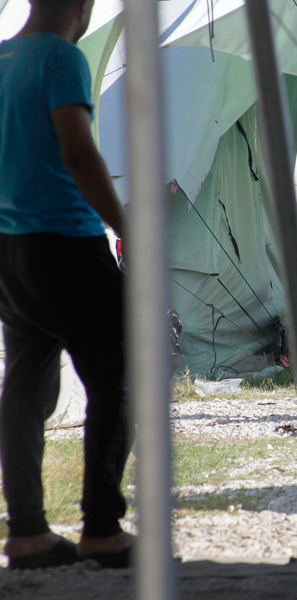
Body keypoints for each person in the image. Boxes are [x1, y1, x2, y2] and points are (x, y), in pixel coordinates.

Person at [0, 0, 133, 569]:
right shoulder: (61, 57)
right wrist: (129, 227)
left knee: (26, 381)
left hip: (9, 244)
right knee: (122, 373)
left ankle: (28, 530)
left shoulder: (2, 58)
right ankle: (101, 526)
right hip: (65, 238)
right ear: (81, 6)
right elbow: (77, 150)